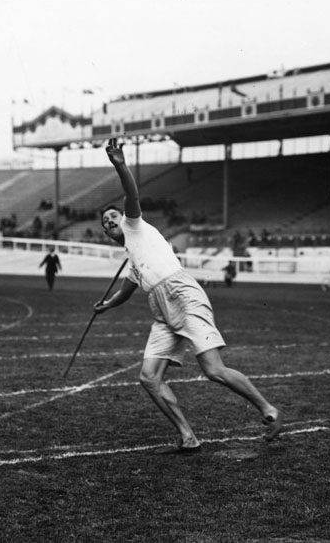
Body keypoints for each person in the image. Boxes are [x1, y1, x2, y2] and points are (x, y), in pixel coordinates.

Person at [94, 138, 282, 453]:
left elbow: (132, 194)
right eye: (105, 223)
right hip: (161, 309)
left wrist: (120, 164)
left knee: (213, 370)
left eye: (113, 217)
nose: (111, 221)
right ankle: (187, 436)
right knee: (149, 378)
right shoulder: (135, 257)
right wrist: (105, 305)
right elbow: (125, 291)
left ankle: (270, 411)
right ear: (106, 233)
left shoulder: (135, 226)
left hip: (182, 294)